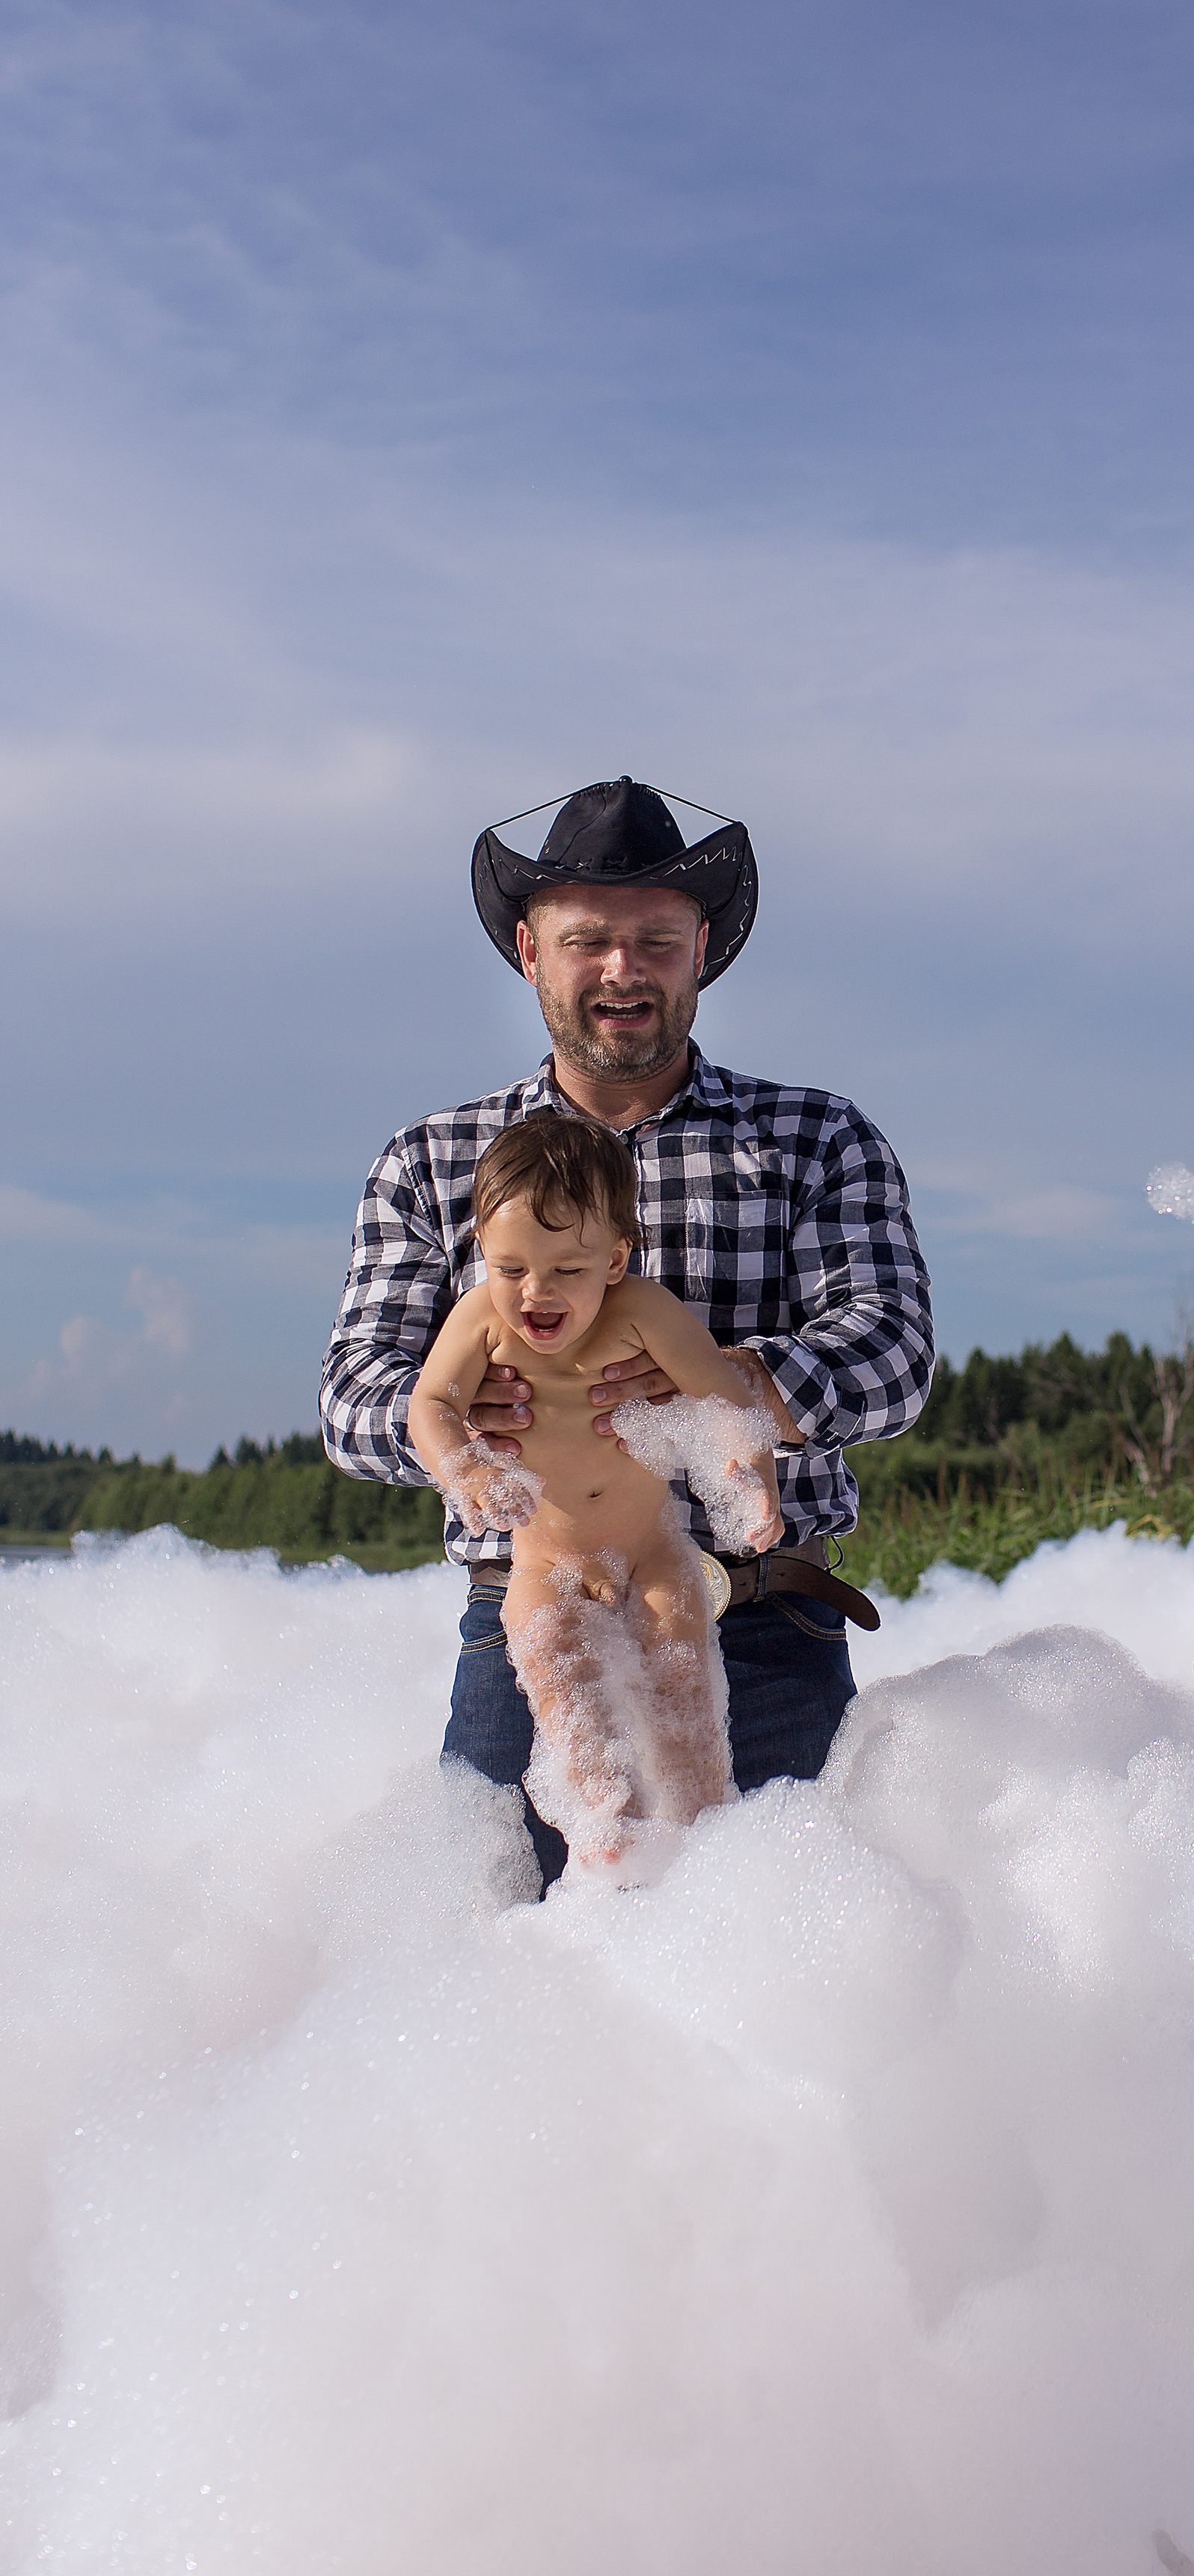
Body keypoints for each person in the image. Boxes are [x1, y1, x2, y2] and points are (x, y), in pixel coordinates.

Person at [320, 775, 934, 1887]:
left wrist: (729, 1386)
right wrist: (463, 1423)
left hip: (768, 1625)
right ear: (528, 950)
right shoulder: (429, 1159)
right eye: (588, 940)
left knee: (783, 1988)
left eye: (656, 939)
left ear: (702, 949)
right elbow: (354, 1398)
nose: (623, 969)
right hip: (526, 1619)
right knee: (507, 1963)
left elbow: (894, 1355)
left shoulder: (818, 1138)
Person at [408, 1111, 780, 1877]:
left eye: (566, 1270)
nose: (535, 1292)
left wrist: (751, 1482)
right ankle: (604, 1821)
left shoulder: (644, 1312)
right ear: (484, 1250)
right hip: (546, 1562)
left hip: (649, 1553)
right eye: (510, 1268)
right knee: (561, 1680)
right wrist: (467, 1469)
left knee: (682, 1685)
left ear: (614, 1258)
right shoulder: (480, 1321)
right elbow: (430, 1405)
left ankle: (699, 1827)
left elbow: (724, 1400)